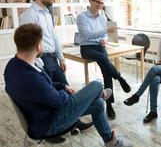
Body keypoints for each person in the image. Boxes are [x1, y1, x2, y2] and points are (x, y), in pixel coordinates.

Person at [4, 24, 132, 147]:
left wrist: (63, 86)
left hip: (40, 114)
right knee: (97, 85)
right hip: (49, 123)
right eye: (42, 42)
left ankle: (111, 142)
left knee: (98, 104)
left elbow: (45, 86)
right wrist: (66, 93)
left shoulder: (13, 65)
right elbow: (59, 101)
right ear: (38, 46)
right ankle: (100, 93)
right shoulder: (31, 78)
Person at [19, 0, 92, 143]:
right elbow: (30, 45)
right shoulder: (28, 16)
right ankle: (51, 132)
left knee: (66, 90)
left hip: (52, 58)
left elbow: (53, 37)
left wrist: (61, 57)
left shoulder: (46, 13)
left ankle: (73, 123)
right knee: (48, 96)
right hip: (41, 60)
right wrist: (37, 65)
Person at [76, 0, 131, 120]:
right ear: (91, 1)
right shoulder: (82, 17)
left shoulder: (102, 17)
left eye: (102, 3)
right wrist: (106, 31)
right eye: (97, 2)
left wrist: (104, 39)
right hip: (87, 47)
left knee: (106, 72)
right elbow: (87, 34)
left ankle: (109, 105)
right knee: (103, 59)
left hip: (99, 46)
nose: (100, 5)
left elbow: (104, 36)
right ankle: (120, 77)